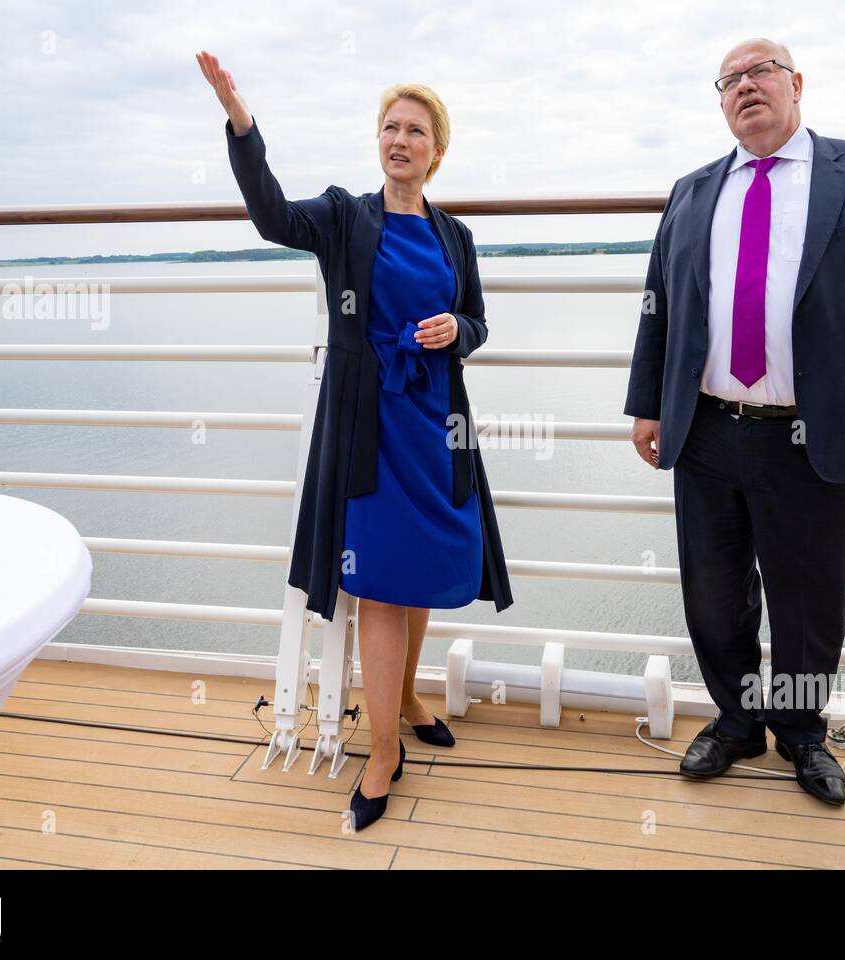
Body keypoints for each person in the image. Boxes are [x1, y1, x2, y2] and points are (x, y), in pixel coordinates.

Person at [197, 52, 514, 831]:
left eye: (416, 130)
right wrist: (241, 121)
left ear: (437, 149)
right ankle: (382, 752)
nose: (400, 140)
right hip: (369, 423)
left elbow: (476, 318)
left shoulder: (454, 234)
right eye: (390, 128)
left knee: (432, 561)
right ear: (378, 142)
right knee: (375, 577)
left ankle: (406, 695)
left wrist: (457, 331)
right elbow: (272, 218)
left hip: (437, 422)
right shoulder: (346, 215)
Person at [623, 38, 845, 806]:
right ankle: (735, 720)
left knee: (812, 594)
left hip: (817, 427)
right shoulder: (692, 191)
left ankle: (801, 732)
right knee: (713, 589)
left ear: (797, 83)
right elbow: (658, 303)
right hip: (708, 428)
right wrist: (646, 403)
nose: (746, 87)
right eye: (730, 80)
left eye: (761, 72)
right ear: (721, 101)